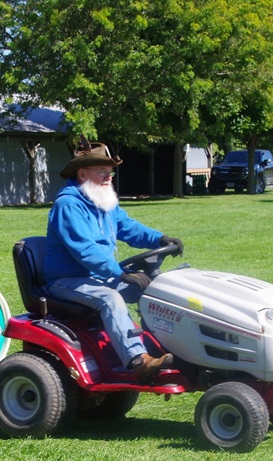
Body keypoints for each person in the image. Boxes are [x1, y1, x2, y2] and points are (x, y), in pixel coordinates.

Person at [43, 139, 184, 381]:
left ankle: (170, 346)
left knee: (155, 289)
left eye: (110, 171)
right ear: (82, 173)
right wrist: (118, 272)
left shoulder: (102, 201)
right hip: (66, 279)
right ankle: (138, 360)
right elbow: (84, 250)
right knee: (110, 298)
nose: (109, 176)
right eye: (103, 171)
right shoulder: (68, 205)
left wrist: (160, 239)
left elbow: (129, 228)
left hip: (98, 275)